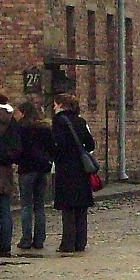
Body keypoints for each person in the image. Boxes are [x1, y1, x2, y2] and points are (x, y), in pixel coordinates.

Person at [52, 94, 95, 253]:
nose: (54, 107)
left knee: (68, 208)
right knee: (81, 208)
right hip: (81, 169)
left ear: (62, 105)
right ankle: (80, 242)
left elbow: (58, 144)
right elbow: (90, 143)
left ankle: (68, 243)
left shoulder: (59, 121)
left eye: (55, 104)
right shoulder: (81, 121)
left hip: (66, 169)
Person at [16, 101, 54, 250]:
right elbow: (52, 148)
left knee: (26, 205)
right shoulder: (45, 128)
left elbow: (17, 148)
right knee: (39, 205)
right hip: (43, 168)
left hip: (26, 168)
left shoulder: (21, 128)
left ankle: (26, 239)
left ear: (24, 112)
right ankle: (39, 240)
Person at [0, 93, 22, 257]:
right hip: (5, 169)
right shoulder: (12, 121)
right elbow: (17, 147)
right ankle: (5, 245)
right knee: (5, 210)